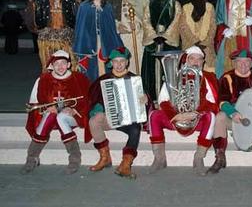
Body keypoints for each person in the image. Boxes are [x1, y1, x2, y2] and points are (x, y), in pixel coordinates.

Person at [208, 49, 252, 174]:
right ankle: (220, 157)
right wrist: (233, 112)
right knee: (220, 117)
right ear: (234, 63)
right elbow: (222, 101)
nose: (243, 65)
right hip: (235, 119)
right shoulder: (227, 78)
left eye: (247, 62)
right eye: (240, 62)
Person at [149, 46, 219, 175]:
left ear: (203, 62)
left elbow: (213, 102)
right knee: (154, 115)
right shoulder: (175, 75)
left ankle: (198, 158)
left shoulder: (209, 77)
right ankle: (159, 158)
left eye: (199, 59)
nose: (195, 62)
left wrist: (195, 113)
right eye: (192, 58)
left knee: (211, 116)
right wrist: (176, 116)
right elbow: (163, 100)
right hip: (176, 119)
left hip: (196, 119)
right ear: (186, 60)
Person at [22, 50, 90, 174]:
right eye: (56, 63)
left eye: (63, 63)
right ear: (51, 65)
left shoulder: (79, 78)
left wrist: (74, 109)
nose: (60, 66)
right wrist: (48, 107)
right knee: (50, 115)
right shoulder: (44, 79)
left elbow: (87, 100)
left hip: (73, 116)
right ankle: (32, 157)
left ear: (69, 64)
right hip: (52, 115)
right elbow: (41, 99)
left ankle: (75, 159)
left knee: (61, 117)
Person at [86, 47, 145, 178]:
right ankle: (105, 157)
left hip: (128, 120)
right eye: (116, 61)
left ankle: (125, 164)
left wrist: (145, 100)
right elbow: (93, 99)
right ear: (111, 63)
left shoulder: (135, 80)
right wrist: (100, 109)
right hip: (109, 118)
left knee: (136, 128)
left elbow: (145, 105)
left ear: (127, 63)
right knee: (94, 120)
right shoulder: (103, 80)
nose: (119, 64)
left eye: (122, 61)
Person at [25, 0, 80, 71]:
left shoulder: (73, 0)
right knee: (49, 71)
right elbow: (30, 23)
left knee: (69, 71)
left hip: (67, 42)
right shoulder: (36, 0)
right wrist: (44, 32)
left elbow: (80, 22)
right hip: (46, 43)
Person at [73, 0, 124, 82]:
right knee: (91, 72)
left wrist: (116, 45)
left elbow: (111, 28)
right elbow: (80, 29)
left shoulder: (107, 7)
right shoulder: (84, 6)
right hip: (89, 45)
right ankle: (93, 95)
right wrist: (83, 48)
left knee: (105, 70)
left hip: (105, 43)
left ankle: (105, 94)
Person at [142, 0, 181, 102]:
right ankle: (152, 102)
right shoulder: (150, 4)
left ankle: (168, 103)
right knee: (151, 75)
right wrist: (154, 36)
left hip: (169, 45)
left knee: (168, 75)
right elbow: (146, 21)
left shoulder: (174, 4)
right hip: (153, 44)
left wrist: (165, 37)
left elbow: (176, 21)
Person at [108, 0, 150, 74]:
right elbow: (109, 18)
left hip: (138, 38)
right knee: (123, 64)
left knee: (138, 64)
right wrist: (118, 27)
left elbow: (148, 19)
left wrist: (138, 25)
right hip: (122, 38)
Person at [178, 0, 217, 72]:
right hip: (190, 46)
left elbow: (213, 27)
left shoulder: (210, 7)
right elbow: (183, 27)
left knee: (207, 74)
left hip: (206, 47)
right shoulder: (185, 8)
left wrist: (204, 43)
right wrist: (195, 42)